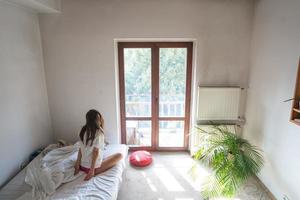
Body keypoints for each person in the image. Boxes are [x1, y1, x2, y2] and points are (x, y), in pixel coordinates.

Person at [74, 109, 122, 181]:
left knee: (102, 153)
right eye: (98, 119)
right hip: (92, 168)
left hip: (82, 165)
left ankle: (88, 166)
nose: (100, 121)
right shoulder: (99, 132)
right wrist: (92, 170)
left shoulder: (82, 130)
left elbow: (81, 148)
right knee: (119, 155)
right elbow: (95, 152)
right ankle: (93, 169)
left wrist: (77, 164)